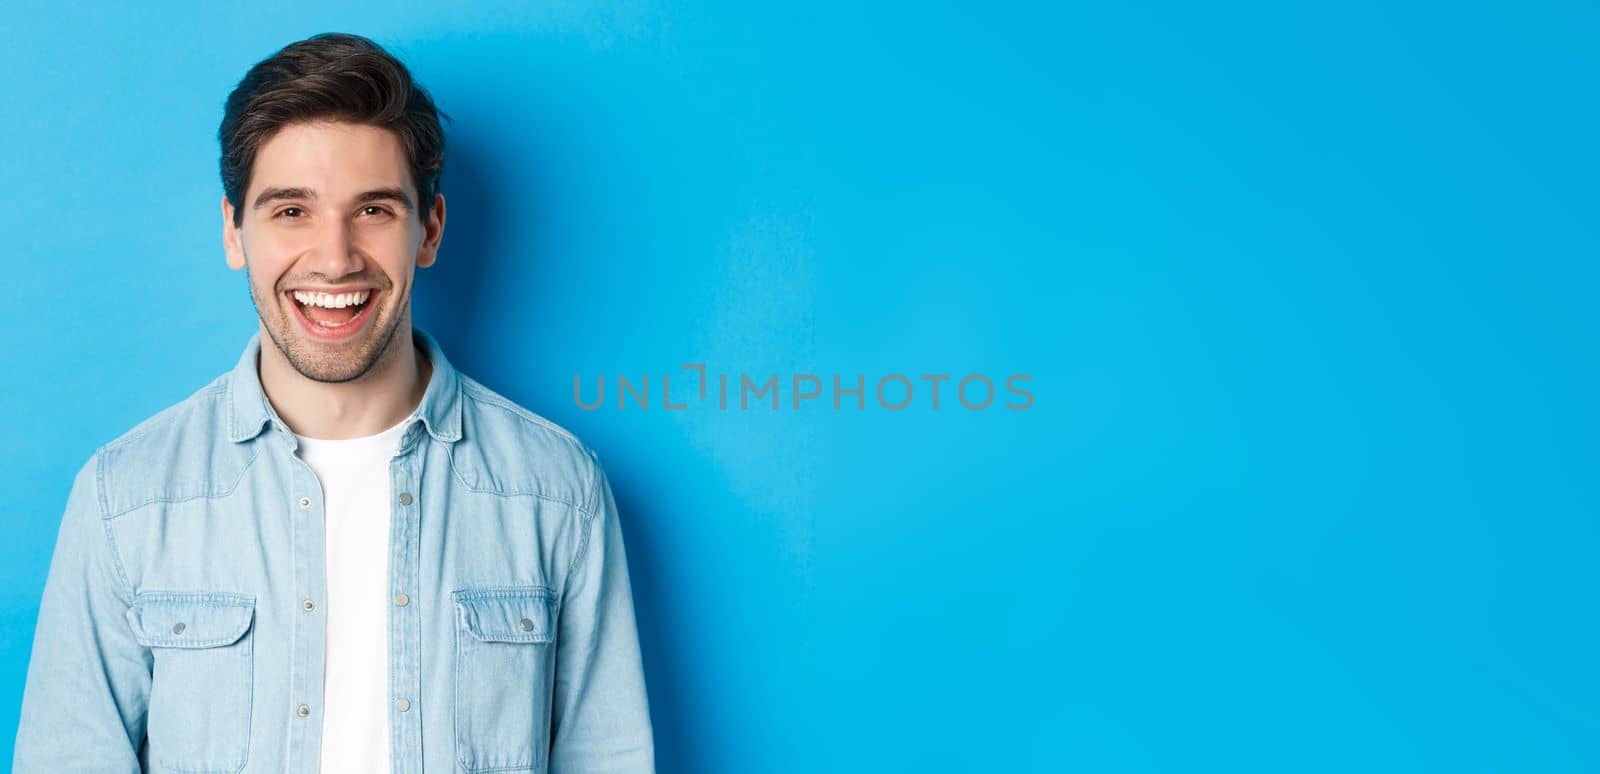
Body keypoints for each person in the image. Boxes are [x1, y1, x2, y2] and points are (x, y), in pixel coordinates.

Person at [13, 32, 654, 774]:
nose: (335, 257)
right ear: (234, 232)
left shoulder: (556, 492)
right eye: (291, 211)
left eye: (373, 210)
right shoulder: (124, 499)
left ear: (430, 231)